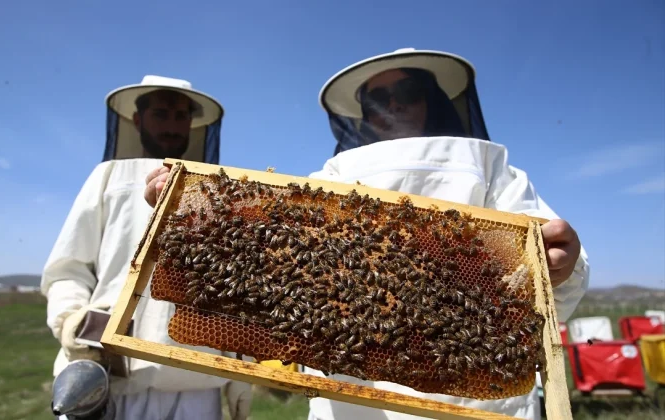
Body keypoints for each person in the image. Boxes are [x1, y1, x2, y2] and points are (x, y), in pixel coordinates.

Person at [302, 48, 589, 420]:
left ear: (431, 100)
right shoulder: (329, 180)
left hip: (480, 398)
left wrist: (561, 264)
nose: (393, 105)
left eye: (407, 93)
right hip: (354, 397)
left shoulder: (494, 171)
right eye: (377, 98)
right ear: (364, 113)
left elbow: (553, 287)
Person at [41, 75, 252, 420]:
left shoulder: (220, 190)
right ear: (138, 120)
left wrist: (238, 370)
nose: (172, 125)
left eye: (181, 116)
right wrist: (71, 319)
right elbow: (68, 268)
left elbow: (233, 290)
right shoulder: (107, 177)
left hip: (197, 382)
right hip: (109, 375)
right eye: (161, 114)